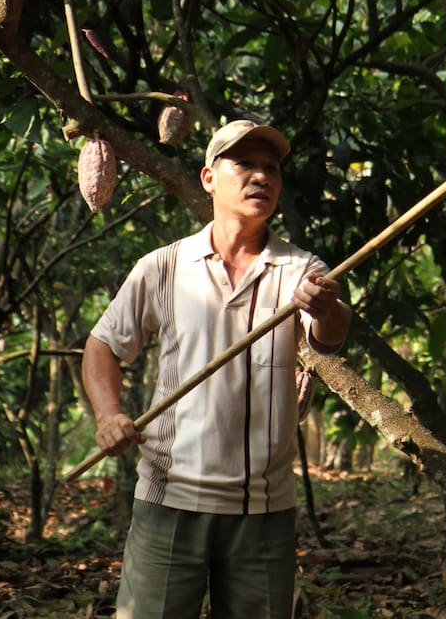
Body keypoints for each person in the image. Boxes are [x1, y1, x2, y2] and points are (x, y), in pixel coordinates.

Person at [81, 119, 352, 619]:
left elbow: (331, 337)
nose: (262, 177)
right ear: (208, 178)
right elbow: (101, 346)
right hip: (170, 498)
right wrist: (107, 415)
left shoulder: (300, 270)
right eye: (244, 164)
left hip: (264, 508)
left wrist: (324, 308)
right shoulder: (163, 266)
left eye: (271, 168)